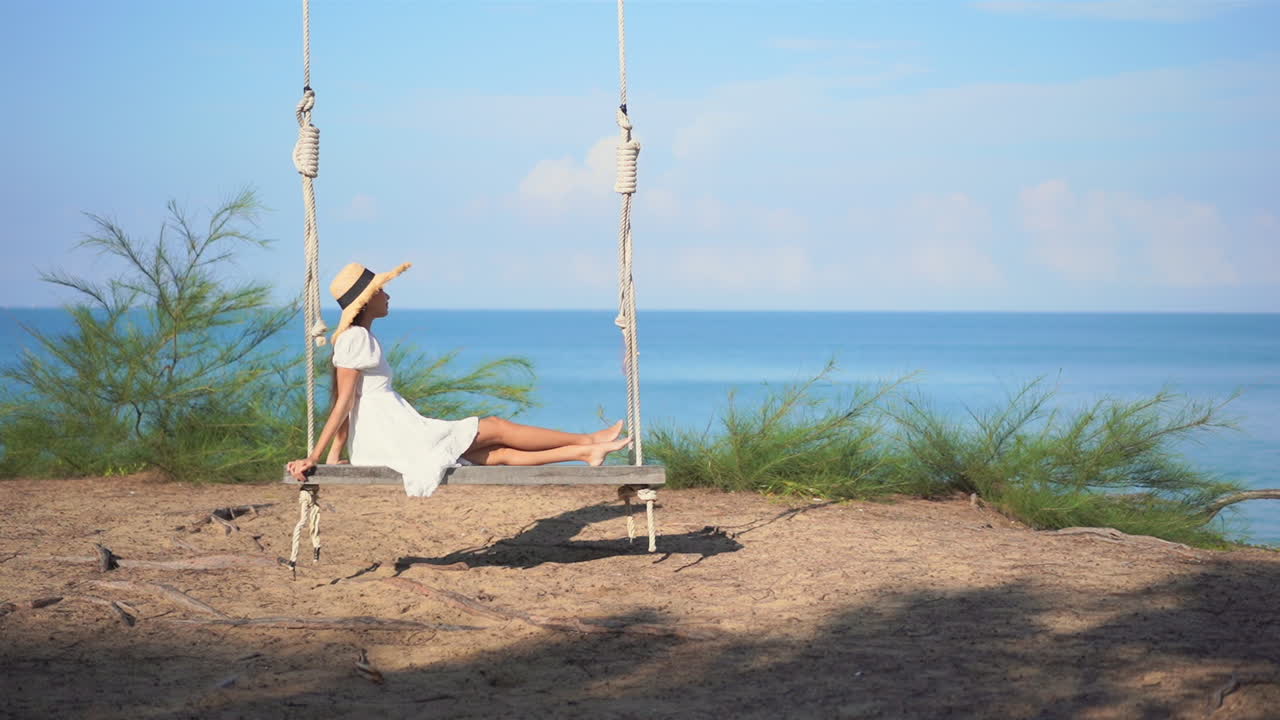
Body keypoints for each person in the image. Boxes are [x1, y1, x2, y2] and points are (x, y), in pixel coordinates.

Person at [286, 262, 631, 496]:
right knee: (494, 427)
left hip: (393, 431)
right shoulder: (355, 339)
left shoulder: (361, 338)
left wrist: (335, 455)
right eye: (381, 290)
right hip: (394, 437)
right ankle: (588, 438)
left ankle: (585, 453)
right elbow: (343, 401)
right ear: (366, 301)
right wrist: (317, 457)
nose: (387, 295)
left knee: (496, 455)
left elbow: (349, 400)